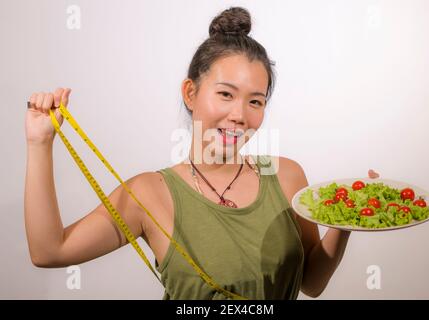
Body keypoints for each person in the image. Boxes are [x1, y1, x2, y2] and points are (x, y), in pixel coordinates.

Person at [24, 7, 379, 300]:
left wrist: (345, 223)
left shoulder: (286, 176)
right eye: (225, 94)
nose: (240, 114)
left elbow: (312, 283)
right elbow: (50, 251)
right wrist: (40, 144)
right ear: (191, 93)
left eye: (255, 101)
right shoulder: (150, 193)